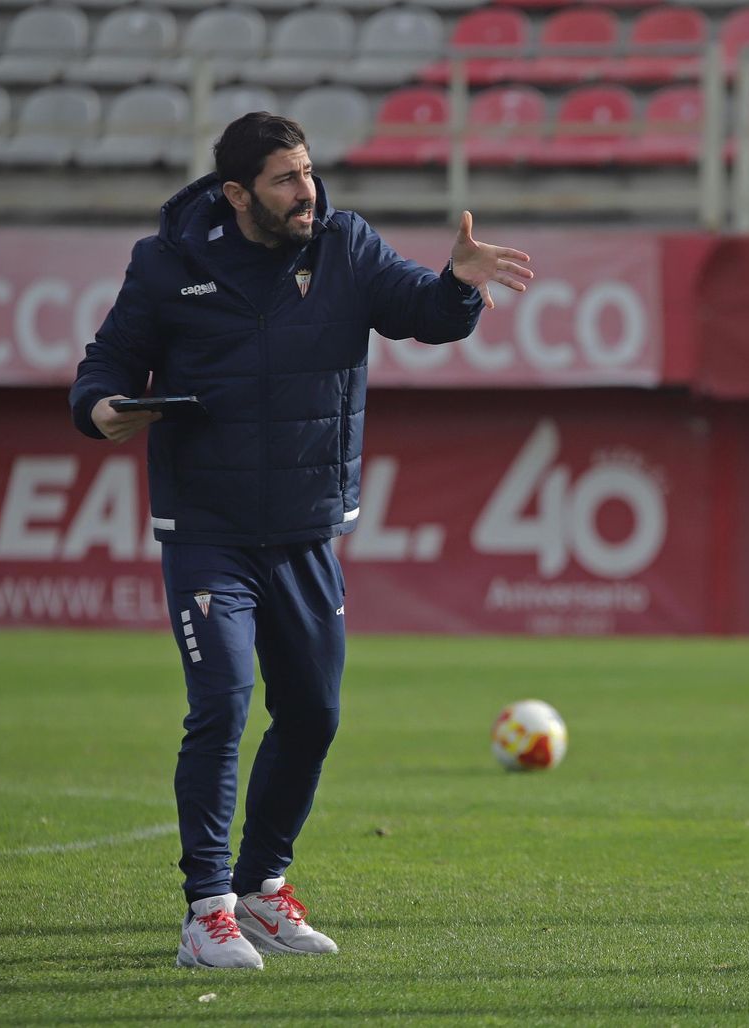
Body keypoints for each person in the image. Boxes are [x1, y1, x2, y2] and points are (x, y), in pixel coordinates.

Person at [68, 112, 533, 970]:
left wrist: (459, 284)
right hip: (207, 530)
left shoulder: (346, 245)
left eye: (310, 173)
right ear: (238, 193)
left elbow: (425, 315)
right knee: (222, 705)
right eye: (286, 180)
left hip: (308, 532)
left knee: (314, 715)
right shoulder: (167, 263)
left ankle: (262, 887)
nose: (307, 191)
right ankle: (205, 912)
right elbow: (107, 362)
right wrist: (98, 410)